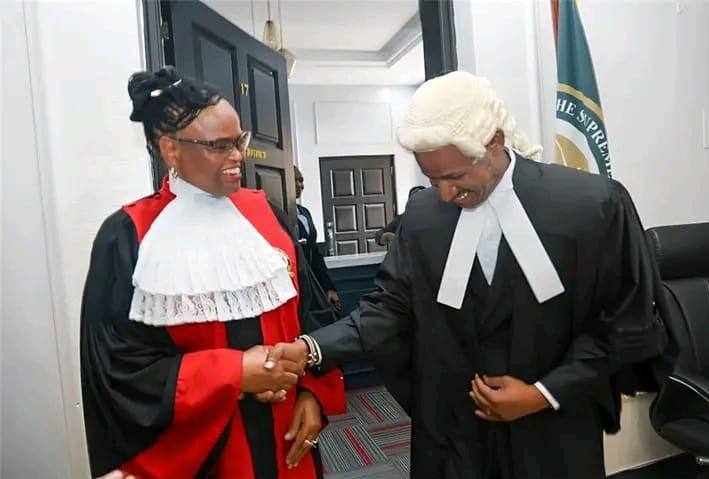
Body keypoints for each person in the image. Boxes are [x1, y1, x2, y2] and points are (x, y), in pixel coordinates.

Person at [264, 71, 669, 478]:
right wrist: (312, 347)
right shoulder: (423, 216)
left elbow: (626, 324)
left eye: (455, 177)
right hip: (453, 436)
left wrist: (543, 393)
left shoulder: (593, 206)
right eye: (432, 179)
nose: (443, 194)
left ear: (494, 143)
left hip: (552, 431)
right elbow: (389, 308)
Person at [80, 66, 346, 479]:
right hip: (204, 449)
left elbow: (311, 315)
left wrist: (312, 393)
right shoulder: (128, 236)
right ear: (171, 149)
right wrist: (233, 375)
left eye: (239, 141)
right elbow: (117, 368)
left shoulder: (268, 214)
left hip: (286, 436)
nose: (238, 156)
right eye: (220, 145)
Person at [294, 166, 341, 311]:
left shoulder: (304, 212)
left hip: (311, 281)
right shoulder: (279, 213)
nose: (300, 185)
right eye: (295, 180)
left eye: (301, 181)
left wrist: (329, 287)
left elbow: (315, 253)